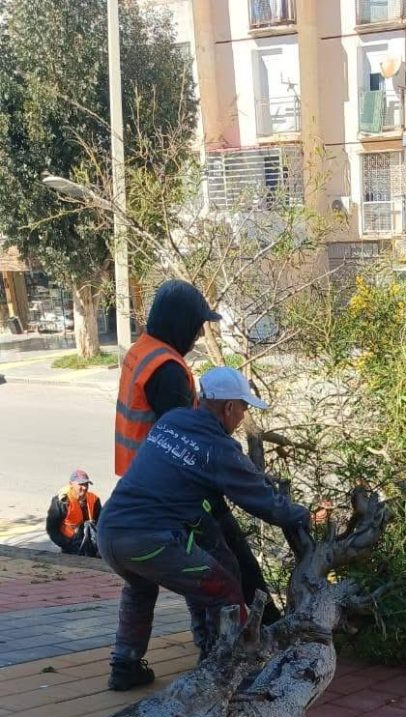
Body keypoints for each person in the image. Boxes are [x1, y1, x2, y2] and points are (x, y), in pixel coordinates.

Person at [98, 367, 310, 691]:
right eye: (243, 408)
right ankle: (230, 672)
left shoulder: (172, 421)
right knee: (224, 591)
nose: (243, 416)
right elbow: (264, 503)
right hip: (151, 541)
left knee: (142, 587)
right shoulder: (218, 448)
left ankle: (125, 666)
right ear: (229, 407)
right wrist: (301, 516)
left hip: (111, 532)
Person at [115, 278, 281, 625]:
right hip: (170, 492)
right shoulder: (167, 370)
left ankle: (132, 658)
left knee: (145, 585)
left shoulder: (142, 351)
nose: (199, 335)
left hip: (141, 484)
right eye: (197, 325)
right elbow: (189, 445)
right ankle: (252, 633)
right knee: (223, 565)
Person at [46, 469, 101, 557]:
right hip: (71, 548)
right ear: (71, 484)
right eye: (81, 484)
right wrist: (67, 544)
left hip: (91, 546)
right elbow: (52, 529)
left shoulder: (94, 499)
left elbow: (101, 523)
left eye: (86, 484)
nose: (84, 487)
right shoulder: (62, 501)